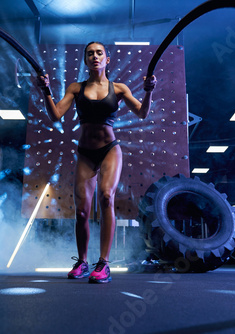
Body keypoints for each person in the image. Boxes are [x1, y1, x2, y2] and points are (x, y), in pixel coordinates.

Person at [37, 41, 156, 283]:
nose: (94, 56)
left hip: (110, 150)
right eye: (90, 53)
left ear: (107, 59)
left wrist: (149, 90)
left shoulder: (119, 88)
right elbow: (56, 115)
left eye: (99, 53)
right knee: (81, 212)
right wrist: (46, 90)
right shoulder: (76, 88)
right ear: (85, 60)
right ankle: (82, 262)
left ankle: (103, 263)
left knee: (106, 197)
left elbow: (142, 113)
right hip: (85, 153)